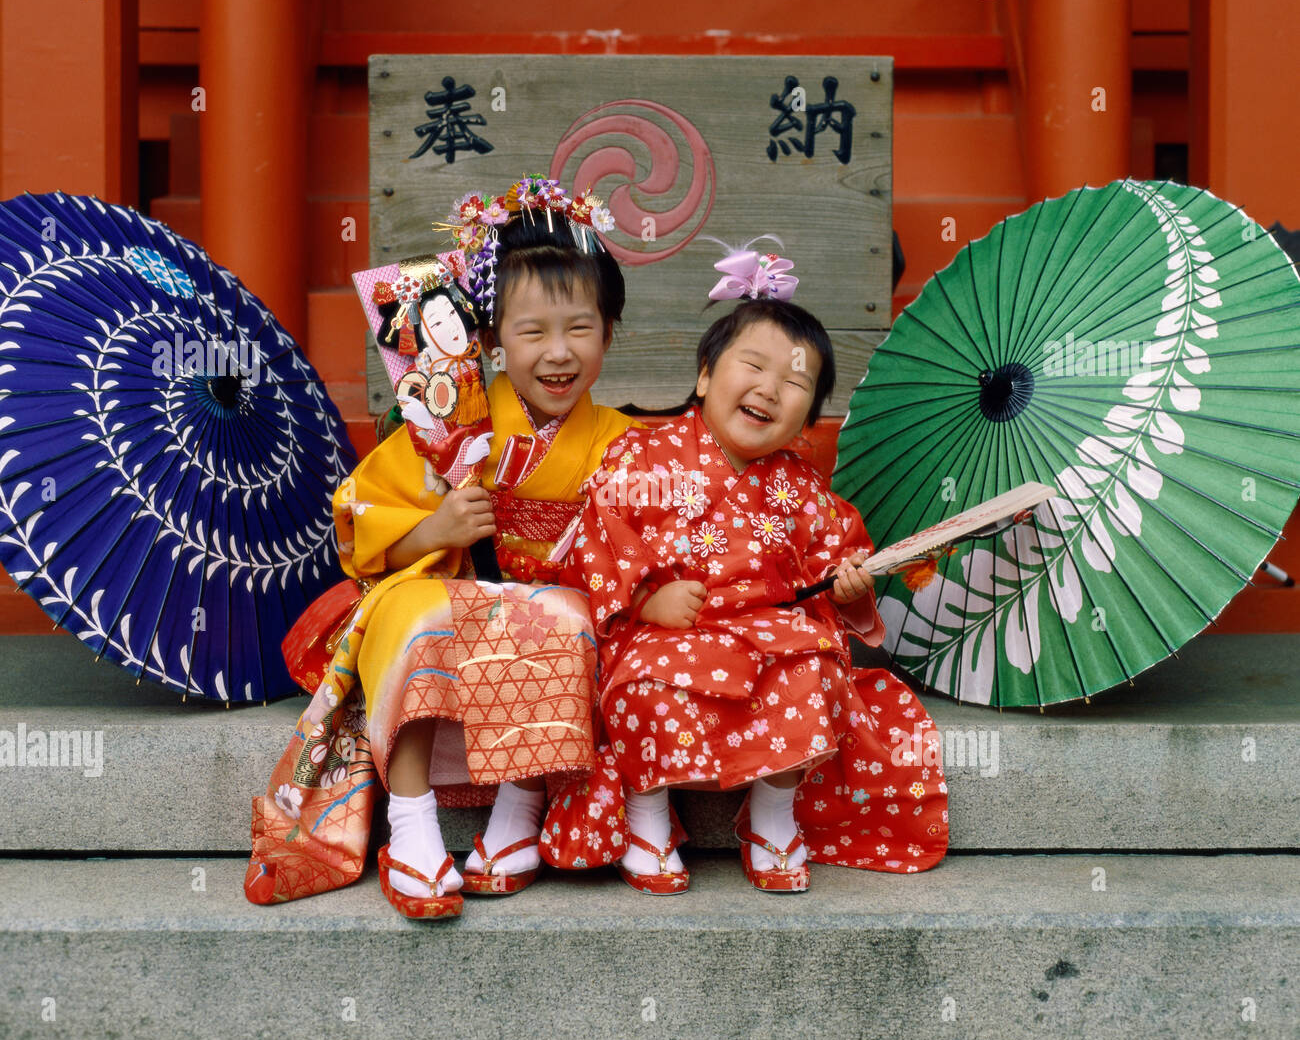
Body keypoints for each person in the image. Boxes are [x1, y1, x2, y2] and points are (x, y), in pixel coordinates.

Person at [245, 176, 639, 918]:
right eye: (532, 332)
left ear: (610, 332)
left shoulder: (623, 443)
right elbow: (358, 520)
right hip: (454, 611)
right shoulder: (449, 426)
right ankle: (413, 826)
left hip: (549, 623)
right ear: (489, 340)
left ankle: (518, 812)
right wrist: (436, 531)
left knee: (563, 616)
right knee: (414, 609)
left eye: (580, 329)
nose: (558, 353)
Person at [559, 247, 949, 893]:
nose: (770, 387)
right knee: (642, 683)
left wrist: (848, 587)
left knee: (814, 667)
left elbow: (836, 553)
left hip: (770, 638)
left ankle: (770, 814)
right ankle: (646, 816)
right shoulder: (643, 456)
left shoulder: (800, 486)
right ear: (705, 376)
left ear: (808, 417)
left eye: (795, 382)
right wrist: (649, 599)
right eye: (753, 365)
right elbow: (599, 537)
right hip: (667, 632)